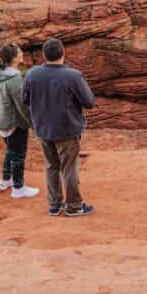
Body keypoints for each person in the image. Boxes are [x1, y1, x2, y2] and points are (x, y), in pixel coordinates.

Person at [22, 38, 96, 217]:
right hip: (67, 130)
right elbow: (89, 102)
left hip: (43, 129)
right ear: (63, 53)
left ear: (44, 55)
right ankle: (74, 206)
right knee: (69, 167)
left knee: (52, 166)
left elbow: (24, 100)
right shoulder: (73, 76)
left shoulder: (32, 74)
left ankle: (55, 205)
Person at [0, 44, 38, 199]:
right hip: (13, 122)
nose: (22, 53)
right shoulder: (14, 77)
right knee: (18, 155)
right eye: (20, 51)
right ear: (14, 58)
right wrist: (32, 122)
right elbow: (21, 104)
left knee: (11, 151)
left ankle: (5, 180)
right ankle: (18, 188)